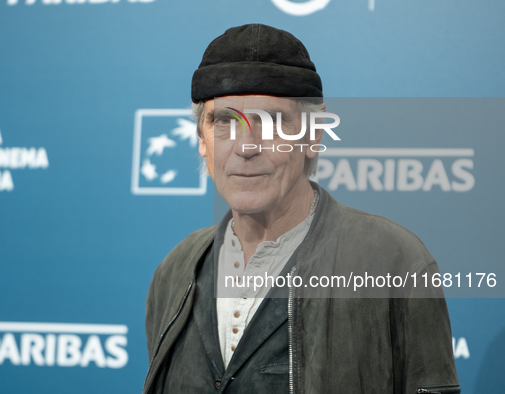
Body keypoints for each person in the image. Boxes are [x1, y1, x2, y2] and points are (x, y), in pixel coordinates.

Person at [143, 24, 460, 394]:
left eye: (272, 122)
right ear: (202, 139)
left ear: (313, 135)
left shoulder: (394, 262)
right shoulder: (175, 271)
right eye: (225, 121)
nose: (246, 147)